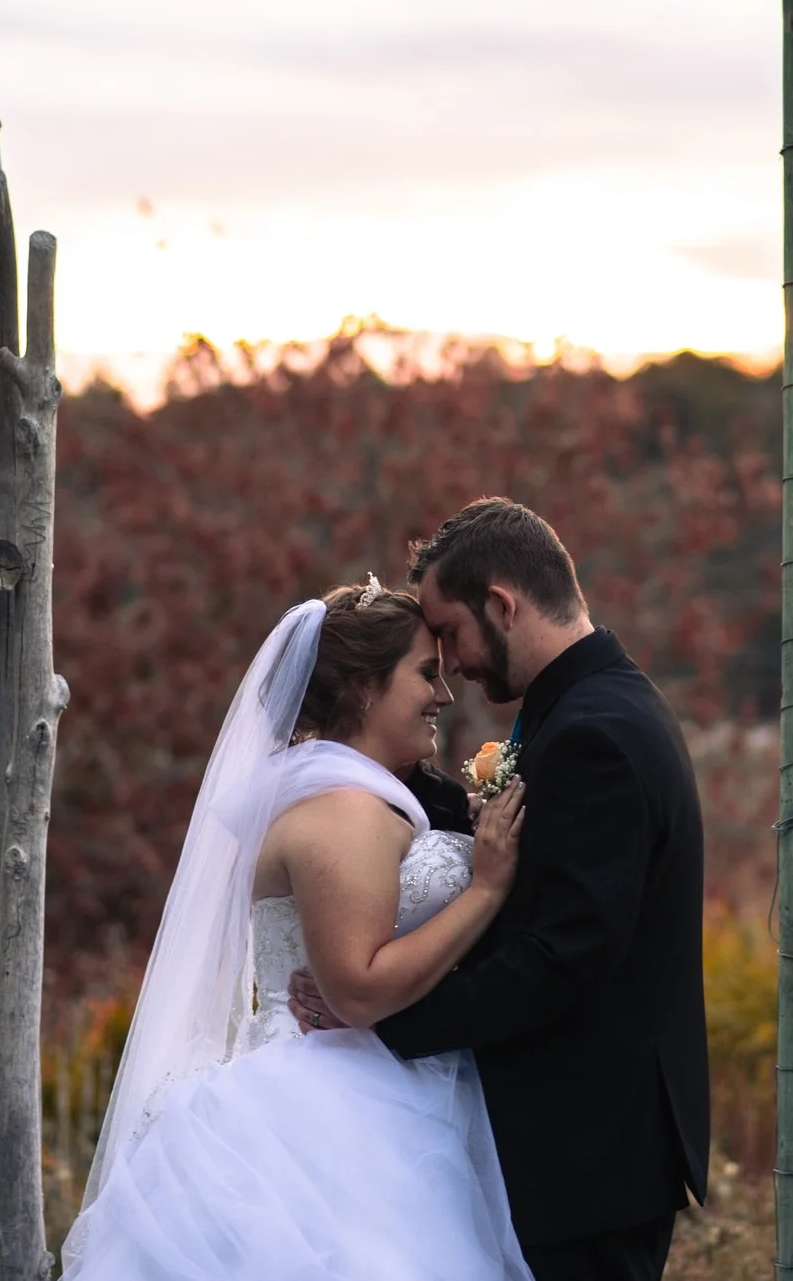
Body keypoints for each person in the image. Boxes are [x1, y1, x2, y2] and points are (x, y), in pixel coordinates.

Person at [59, 579, 534, 1281]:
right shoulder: (346, 810)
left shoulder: (331, 792)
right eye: (425, 674)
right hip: (334, 1108)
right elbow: (359, 991)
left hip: (359, 1080)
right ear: (365, 690)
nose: (443, 694)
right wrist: (488, 886)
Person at [292, 499, 711, 1281]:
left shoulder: (594, 735)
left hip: (589, 1156)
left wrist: (380, 1023)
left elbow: (564, 956)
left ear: (503, 604)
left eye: (448, 632)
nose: (450, 664)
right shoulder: (585, 709)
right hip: (581, 1150)